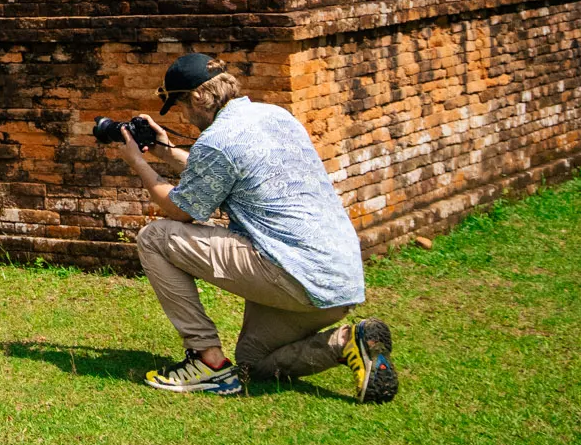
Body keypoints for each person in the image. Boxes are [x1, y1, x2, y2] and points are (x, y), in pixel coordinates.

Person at [103, 51, 396, 403]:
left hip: (293, 273)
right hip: (338, 281)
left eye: (181, 105)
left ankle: (206, 361)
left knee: (154, 238)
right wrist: (164, 152)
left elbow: (179, 209)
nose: (184, 114)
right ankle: (349, 341)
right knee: (254, 364)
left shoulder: (218, 141)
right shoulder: (275, 115)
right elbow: (219, 171)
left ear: (197, 97)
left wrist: (137, 161)